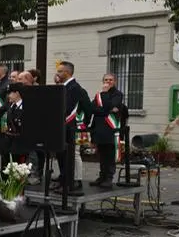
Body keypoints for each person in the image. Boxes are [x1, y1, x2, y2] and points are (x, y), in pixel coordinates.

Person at [52, 61, 93, 192]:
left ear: (67, 72)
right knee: (61, 153)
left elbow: (87, 108)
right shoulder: (63, 86)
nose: (57, 73)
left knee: (74, 154)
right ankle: (64, 178)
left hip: (74, 126)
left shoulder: (75, 88)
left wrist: (84, 124)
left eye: (60, 71)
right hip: (63, 126)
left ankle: (75, 180)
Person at [90, 74, 125, 190]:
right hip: (100, 128)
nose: (108, 82)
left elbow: (112, 105)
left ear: (114, 82)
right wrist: (105, 110)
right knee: (102, 154)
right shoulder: (98, 95)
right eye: (106, 80)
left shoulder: (117, 94)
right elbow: (93, 108)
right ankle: (102, 176)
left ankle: (109, 178)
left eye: (110, 80)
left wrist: (105, 98)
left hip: (110, 129)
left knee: (110, 155)